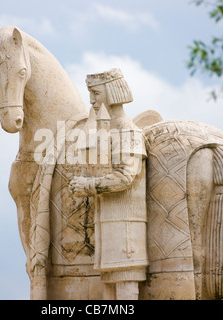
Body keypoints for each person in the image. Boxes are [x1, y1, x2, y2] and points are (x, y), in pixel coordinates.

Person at [69, 68, 148, 300]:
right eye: (89, 94)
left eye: (96, 93)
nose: (91, 100)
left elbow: (125, 176)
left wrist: (88, 185)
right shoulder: (105, 133)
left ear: (111, 93)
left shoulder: (128, 131)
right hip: (107, 230)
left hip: (126, 231)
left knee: (125, 291)